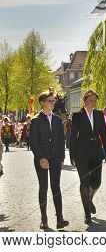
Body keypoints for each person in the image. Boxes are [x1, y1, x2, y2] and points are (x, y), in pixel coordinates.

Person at [29, 90, 69, 230]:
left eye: (54, 101)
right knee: (43, 188)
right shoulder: (35, 120)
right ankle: (44, 219)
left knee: (56, 187)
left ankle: (60, 219)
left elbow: (60, 140)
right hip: (41, 158)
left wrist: (62, 158)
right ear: (42, 103)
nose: (53, 103)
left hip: (56, 158)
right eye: (50, 101)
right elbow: (33, 142)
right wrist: (41, 158)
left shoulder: (58, 119)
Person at [69, 89, 106, 224]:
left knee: (96, 182)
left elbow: (104, 133)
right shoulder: (77, 115)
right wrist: (72, 155)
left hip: (97, 152)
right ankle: (87, 214)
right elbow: (73, 136)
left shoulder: (99, 114)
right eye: (91, 100)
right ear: (85, 100)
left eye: (95, 100)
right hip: (82, 154)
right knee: (85, 183)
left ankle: (89, 199)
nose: (93, 102)